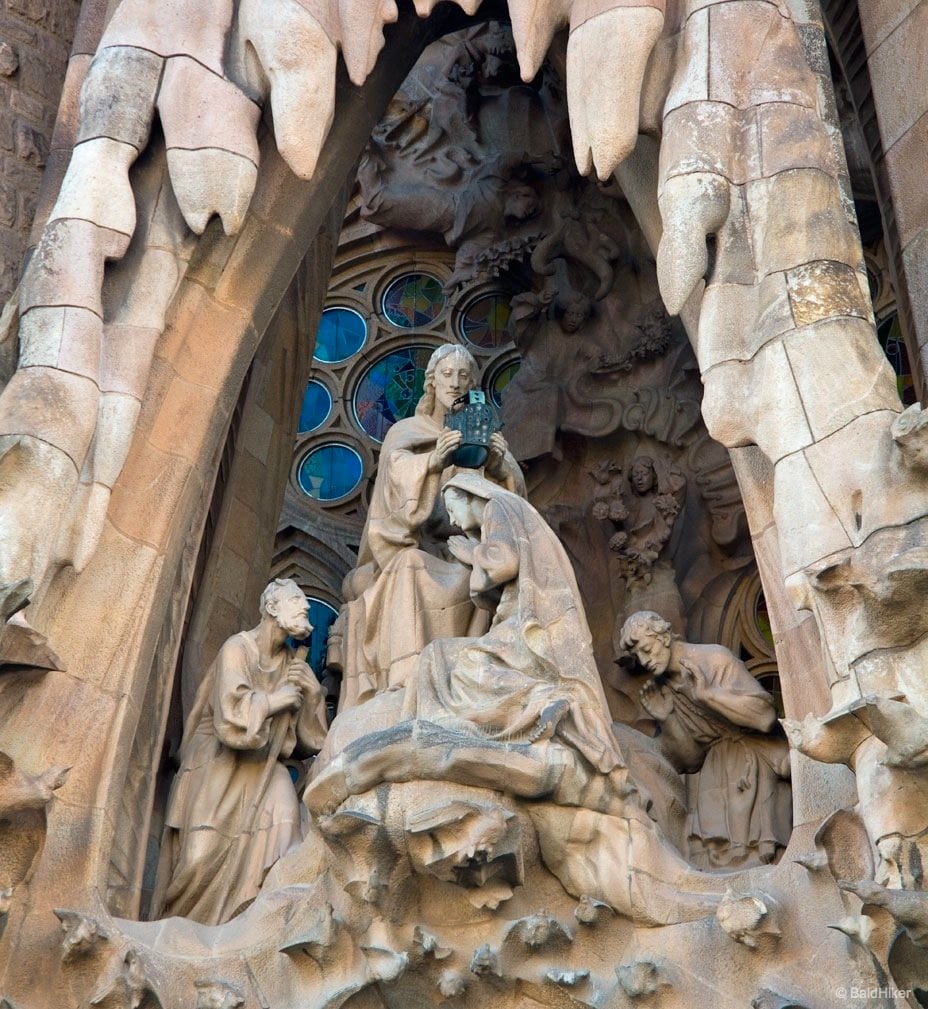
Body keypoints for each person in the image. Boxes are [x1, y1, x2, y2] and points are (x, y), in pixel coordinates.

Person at [330, 344, 524, 707]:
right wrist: (433, 463)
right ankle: (406, 679)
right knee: (409, 566)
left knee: (477, 577)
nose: (455, 383)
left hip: (465, 553)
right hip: (414, 548)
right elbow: (394, 493)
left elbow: (515, 511)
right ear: (431, 383)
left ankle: (463, 683)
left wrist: (500, 468)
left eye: (463, 377)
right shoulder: (407, 432)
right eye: (447, 375)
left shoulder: (480, 436)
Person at [403, 472, 624, 775]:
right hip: (531, 618)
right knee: (443, 657)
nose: (453, 521)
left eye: (452, 509)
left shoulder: (498, 506)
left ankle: (543, 701)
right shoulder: (511, 510)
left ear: (469, 495)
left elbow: (505, 562)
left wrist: (472, 554)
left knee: (456, 661)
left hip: (535, 622)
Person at [151, 579, 328, 925]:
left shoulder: (296, 664)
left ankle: (259, 928)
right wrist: (276, 700)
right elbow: (230, 717)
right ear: (272, 608)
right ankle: (183, 931)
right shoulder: (238, 648)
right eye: (296, 600)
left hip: (266, 765)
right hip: (218, 762)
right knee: (198, 861)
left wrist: (314, 694)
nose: (305, 607)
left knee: (285, 836)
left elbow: (311, 744)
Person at [618, 610, 791, 869]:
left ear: (663, 636)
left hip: (755, 766)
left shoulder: (714, 659)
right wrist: (668, 719)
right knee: (716, 866)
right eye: (638, 656)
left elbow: (765, 717)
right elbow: (690, 760)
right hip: (713, 778)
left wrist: (709, 696)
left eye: (646, 649)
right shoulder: (665, 688)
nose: (644, 661)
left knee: (758, 862)